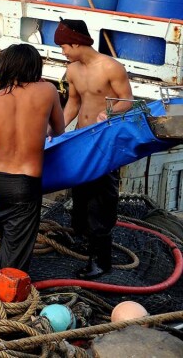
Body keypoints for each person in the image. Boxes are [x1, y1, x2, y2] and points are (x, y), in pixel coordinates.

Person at [55, 18, 133, 279]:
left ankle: (101, 260)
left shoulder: (111, 67)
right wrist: (57, 131)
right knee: (81, 195)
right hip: (80, 139)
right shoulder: (72, 71)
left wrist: (108, 112)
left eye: (64, 45)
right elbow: (73, 105)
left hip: (104, 142)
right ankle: (82, 240)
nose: (63, 51)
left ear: (77, 42)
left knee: (102, 199)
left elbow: (127, 100)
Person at [0, 44, 65, 274]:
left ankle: (2, 278)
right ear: (35, 66)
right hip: (24, 185)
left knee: (9, 235)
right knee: (16, 258)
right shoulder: (48, 91)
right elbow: (59, 130)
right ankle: (2, 299)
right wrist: (40, 130)